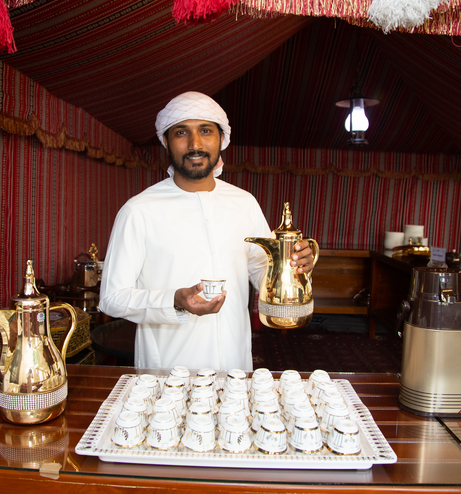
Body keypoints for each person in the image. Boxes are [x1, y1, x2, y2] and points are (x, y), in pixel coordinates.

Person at [99, 91, 314, 371]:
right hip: (168, 373)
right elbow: (112, 298)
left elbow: (263, 272)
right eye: (181, 132)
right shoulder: (139, 210)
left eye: (205, 131)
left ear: (221, 139)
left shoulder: (244, 203)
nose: (195, 144)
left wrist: (292, 269)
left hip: (235, 368)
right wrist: (173, 300)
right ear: (165, 140)